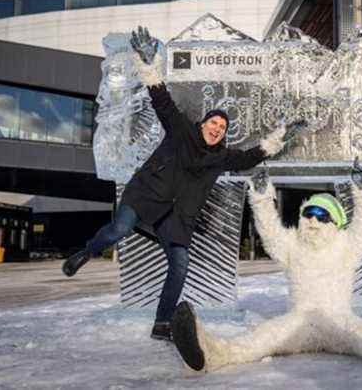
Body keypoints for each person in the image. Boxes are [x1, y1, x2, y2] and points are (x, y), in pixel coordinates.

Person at [62, 28, 305, 341]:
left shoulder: (222, 157)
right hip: (146, 195)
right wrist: (147, 64)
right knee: (117, 231)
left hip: (176, 218)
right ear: (203, 124)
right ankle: (86, 252)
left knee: (180, 266)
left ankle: (162, 322)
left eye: (222, 126)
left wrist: (282, 136)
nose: (217, 128)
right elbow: (162, 101)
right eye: (213, 123)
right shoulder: (181, 132)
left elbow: (250, 158)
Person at [169, 164, 362, 382]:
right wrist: (261, 198)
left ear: (337, 222)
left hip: (338, 321)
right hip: (299, 321)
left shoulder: (346, 245)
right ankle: (207, 353)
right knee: (262, 337)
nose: (313, 221)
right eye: (308, 213)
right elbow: (271, 232)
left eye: (322, 215)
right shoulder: (293, 245)